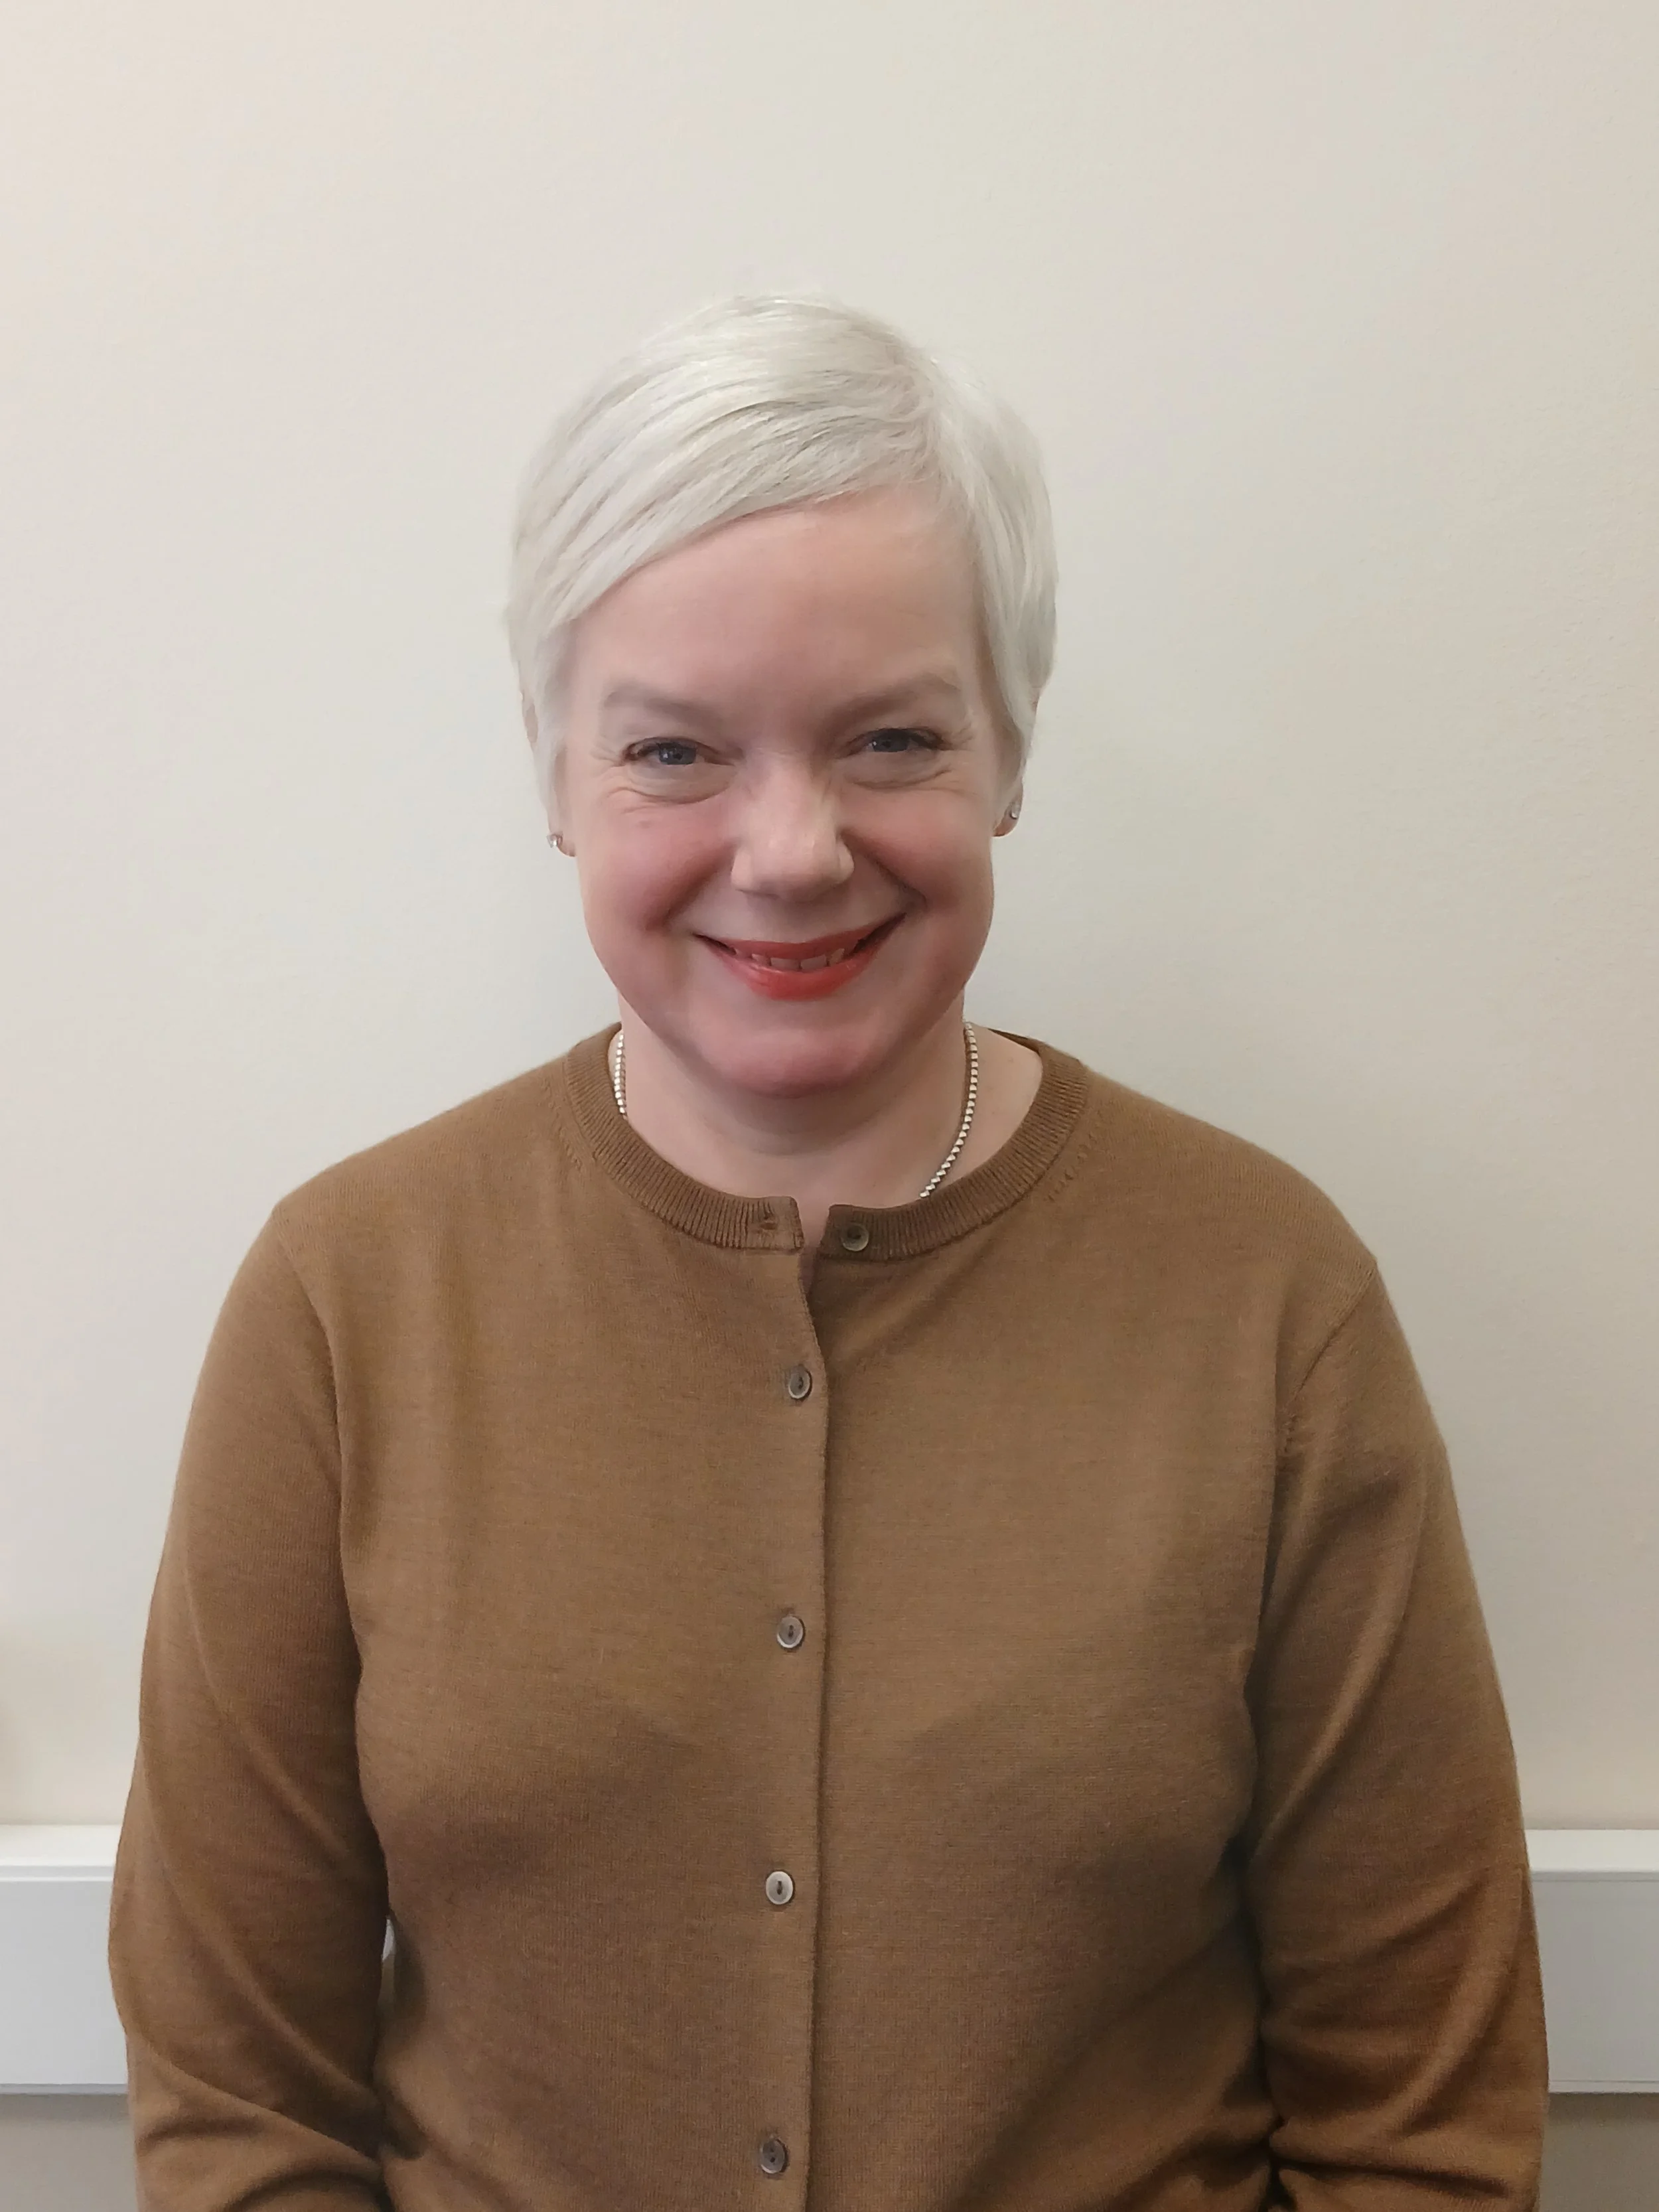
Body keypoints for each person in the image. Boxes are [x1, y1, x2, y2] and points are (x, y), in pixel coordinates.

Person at [109, 295, 1547, 2211]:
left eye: (886, 737)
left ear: (1008, 753)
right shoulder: (346, 1299)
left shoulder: (1264, 1300)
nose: (788, 850)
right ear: (555, 776)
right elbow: (238, 2106)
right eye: (676, 752)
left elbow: (1419, 2121)